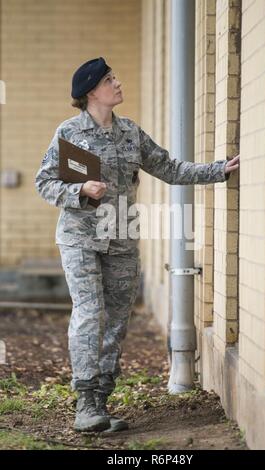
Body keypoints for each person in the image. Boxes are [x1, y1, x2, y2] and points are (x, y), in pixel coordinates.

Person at [35, 56, 240, 433]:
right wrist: (79, 189)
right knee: (90, 312)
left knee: (116, 321)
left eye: (115, 76)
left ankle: (100, 401)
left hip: (122, 240)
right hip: (81, 238)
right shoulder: (69, 133)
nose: (118, 83)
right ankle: (84, 401)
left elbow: (170, 167)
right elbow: (44, 182)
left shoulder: (130, 132)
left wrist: (219, 170)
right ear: (91, 91)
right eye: (110, 79)